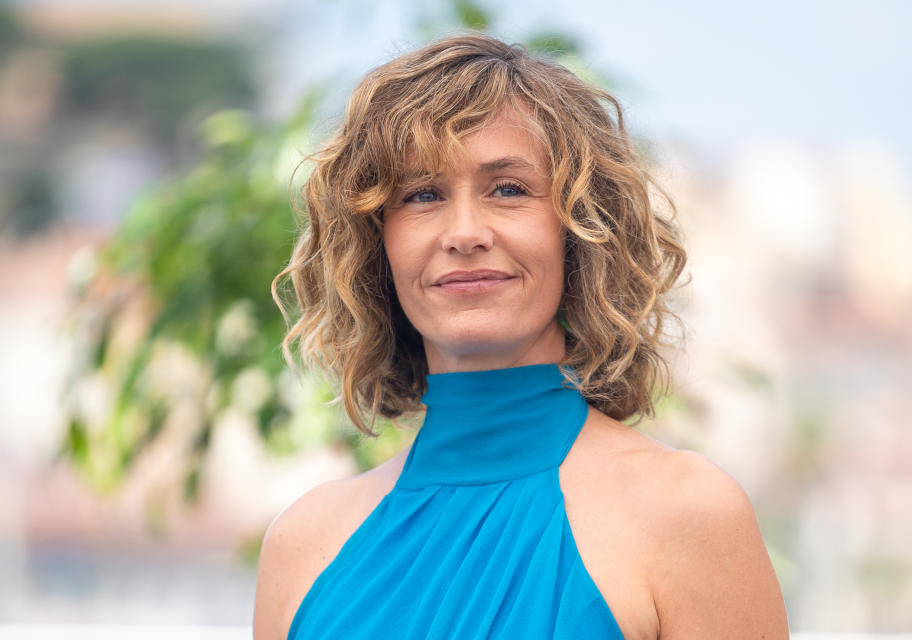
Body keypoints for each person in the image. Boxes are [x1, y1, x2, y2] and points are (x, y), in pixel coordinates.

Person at [253, 34, 789, 639]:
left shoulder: (687, 514)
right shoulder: (302, 548)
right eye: (422, 195)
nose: (464, 232)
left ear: (582, 229)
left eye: (507, 189)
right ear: (378, 245)